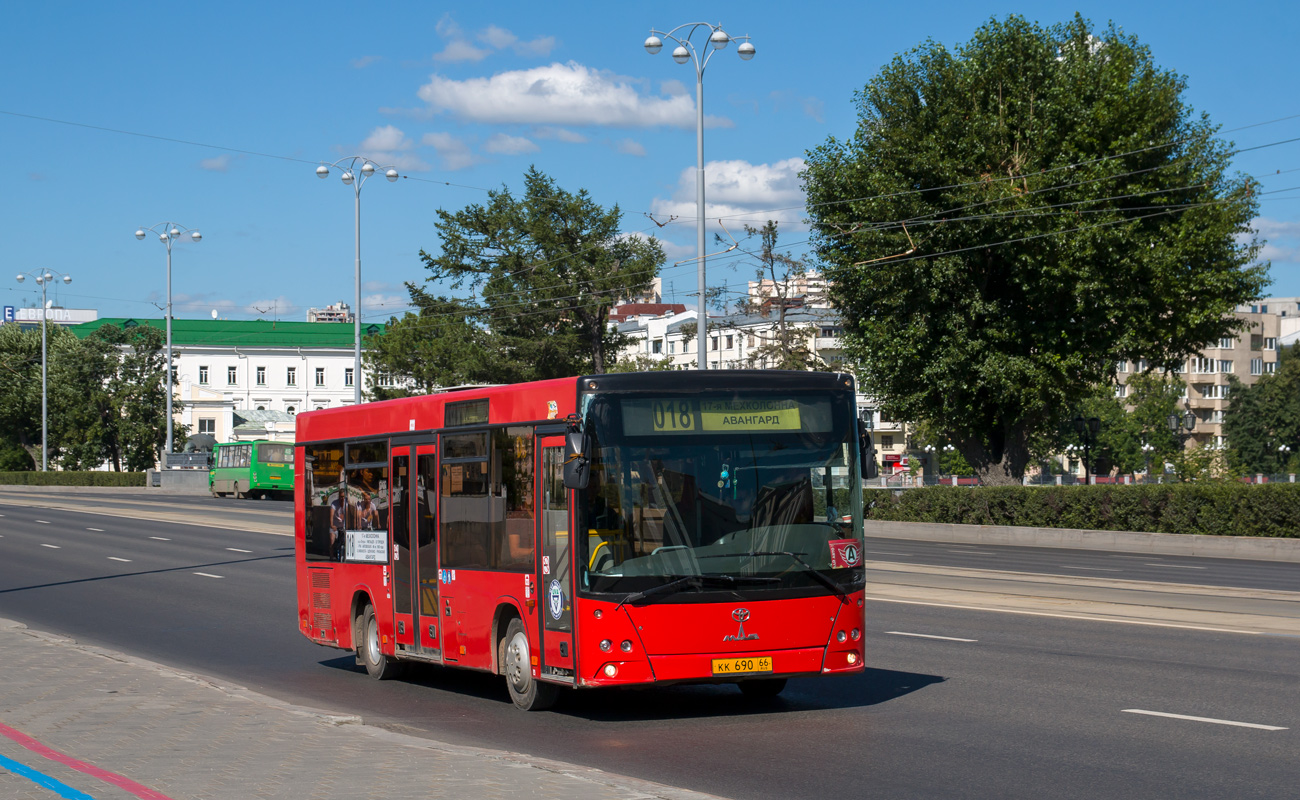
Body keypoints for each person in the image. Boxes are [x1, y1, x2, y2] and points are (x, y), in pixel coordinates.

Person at [329, 477, 349, 561]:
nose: (342, 498)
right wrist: (332, 525)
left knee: (345, 541)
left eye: (344, 497)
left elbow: (347, 516)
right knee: (332, 540)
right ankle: (331, 557)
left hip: (343, 526)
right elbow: (331, 515)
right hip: (335, 526)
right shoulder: (334, 503)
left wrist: (347, 526)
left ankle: (345, 556)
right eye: (341, 497)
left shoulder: (346, 504)